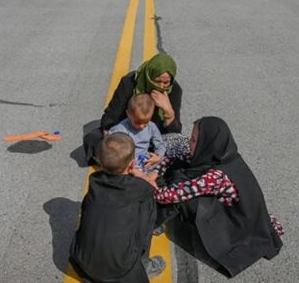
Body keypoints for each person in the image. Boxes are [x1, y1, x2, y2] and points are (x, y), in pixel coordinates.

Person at [146, 117, 284, 278]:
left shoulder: (215, 176)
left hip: (235, 224)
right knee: (179, 169)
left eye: (194, 140)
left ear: (207, 143)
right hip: (245, 213)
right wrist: (156, 172)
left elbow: (170, 195)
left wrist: (149, 186)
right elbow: (176, 157)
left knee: (182, 196)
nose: (189, 143)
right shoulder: (224, 156)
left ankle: (154, 221)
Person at [69, 133, 167, 282]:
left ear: (99, 161)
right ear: (132, 164)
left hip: (83, 263)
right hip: (119, 270)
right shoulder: (138, 188)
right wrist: (141, 175)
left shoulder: (94, 182)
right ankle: (144, 263)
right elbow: (152, 187)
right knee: (148, 204)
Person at [82, 54, 183, 164]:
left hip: (153, 138)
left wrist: (169, 112)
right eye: (157, 81)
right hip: (126, 134)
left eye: (166, 83)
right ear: (148, 76)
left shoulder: (174, 90)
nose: (161, 86)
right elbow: (110, 116)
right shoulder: (130, 82)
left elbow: (175, 133)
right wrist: (116, 141)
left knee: (180, 146)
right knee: (93, 139)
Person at [108, 94, 166, 170]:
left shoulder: (151, 127)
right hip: (127, 164)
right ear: (128, 114)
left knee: (165, 163)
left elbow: (160, 144)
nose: (142, 126)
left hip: (146, 161)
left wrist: (158, 156)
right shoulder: (121, 130)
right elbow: (109, 146)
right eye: (138, 122)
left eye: (146, 123)